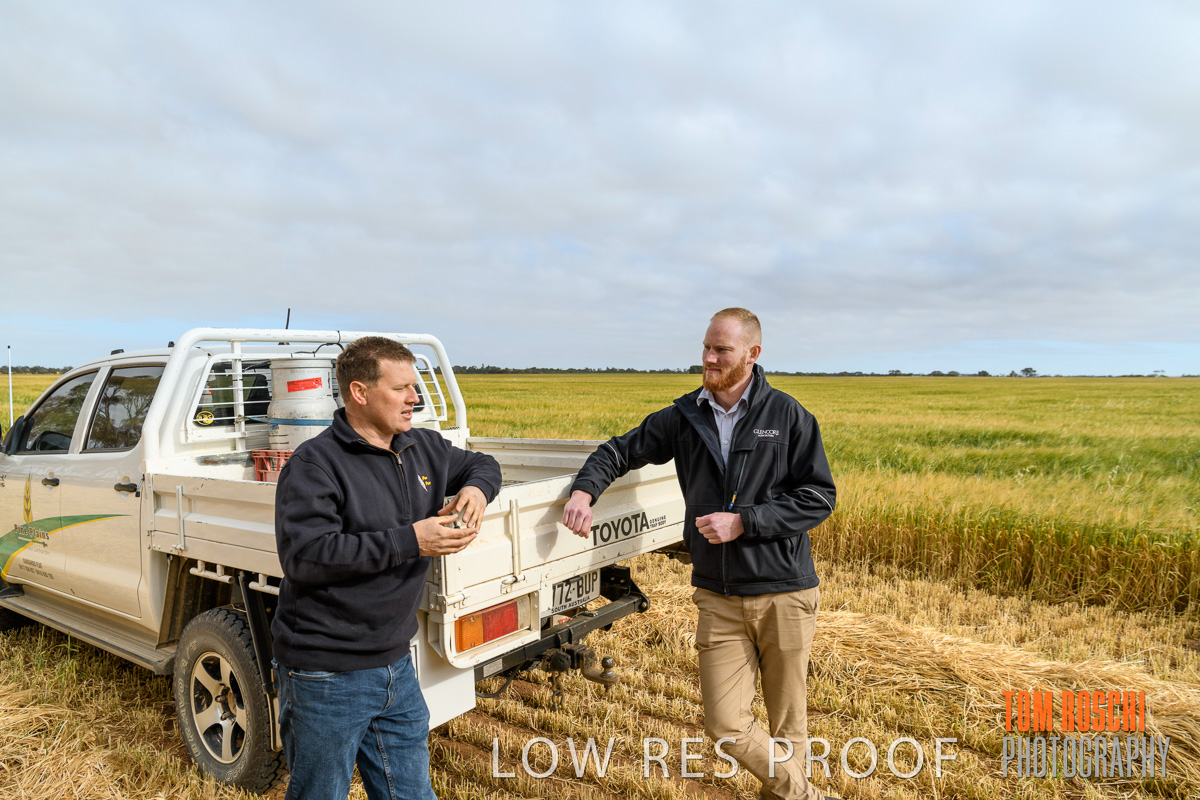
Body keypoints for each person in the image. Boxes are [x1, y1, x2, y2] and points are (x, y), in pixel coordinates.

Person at [562, 308, 838, 800]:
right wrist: (584, 492)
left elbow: (819, 497)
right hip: (718, 597)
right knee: (726, 725)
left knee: (788, 724)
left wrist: (745, 521)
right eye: (706, 347)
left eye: (722, 350)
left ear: (752, 354)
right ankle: (806, 795)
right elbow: (618, 451)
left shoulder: (787, 416)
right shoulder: (685, 416)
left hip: (784, 593)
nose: (709, 358)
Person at [272, 336, 502, 800]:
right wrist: (412, 540)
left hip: (396, 663)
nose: (415, 398)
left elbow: (483, 463)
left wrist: (477, 490)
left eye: (414, 386)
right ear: (359, 393)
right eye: (401, 389)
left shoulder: (422, 446)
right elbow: (306, 557)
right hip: (327, 673)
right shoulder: (315, 464)